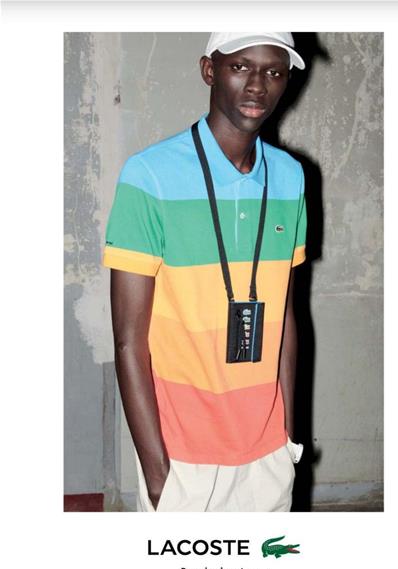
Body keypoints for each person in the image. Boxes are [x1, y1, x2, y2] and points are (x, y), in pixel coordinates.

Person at [103, 32, 307, 512]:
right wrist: (157, 471)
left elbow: (286, 315)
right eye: (240, 66)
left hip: (268, 454)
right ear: (209, 70)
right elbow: (129, 341)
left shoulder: (291, 176)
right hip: (182, 458)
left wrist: (287, 434)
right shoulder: (149, 175)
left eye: (274, 72)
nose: (257, 85)